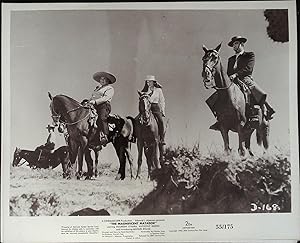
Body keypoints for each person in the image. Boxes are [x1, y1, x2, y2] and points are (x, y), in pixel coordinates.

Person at [210, 35, 275, 130]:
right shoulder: (231, 59)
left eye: (236, 43)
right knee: (216, 97)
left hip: (245, 78)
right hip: (232, 81)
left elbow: (249, 68)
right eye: (233, 45)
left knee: (255, 90)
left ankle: (266, 110)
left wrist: (236, 74)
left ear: (241, 44)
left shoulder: (249, 55)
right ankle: (219, 119)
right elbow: (228, 72)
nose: (234, 46)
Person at [88, 71, 116, 146]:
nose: (102, 80)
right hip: (94, 105)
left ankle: (104, 135)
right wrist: (89, 102)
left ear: (108, 81)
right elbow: (92, 97)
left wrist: (95, 102)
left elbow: (106, 98)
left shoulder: (109, 88)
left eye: (104, 79)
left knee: (101, 117)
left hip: (103, 106)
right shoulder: (97, 89)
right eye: (101, 79)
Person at [141, 75, 166, 145]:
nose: (148, 83)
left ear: (153, 82)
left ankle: (162, 138)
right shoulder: (145, 91)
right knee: (138, 119)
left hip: (155, 107)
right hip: (146, 107)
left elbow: (162, 100)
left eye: (149, 82)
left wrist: (163, 110)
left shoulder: (158, 90)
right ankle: (136, 136)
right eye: (147, 82)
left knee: (160, 121)